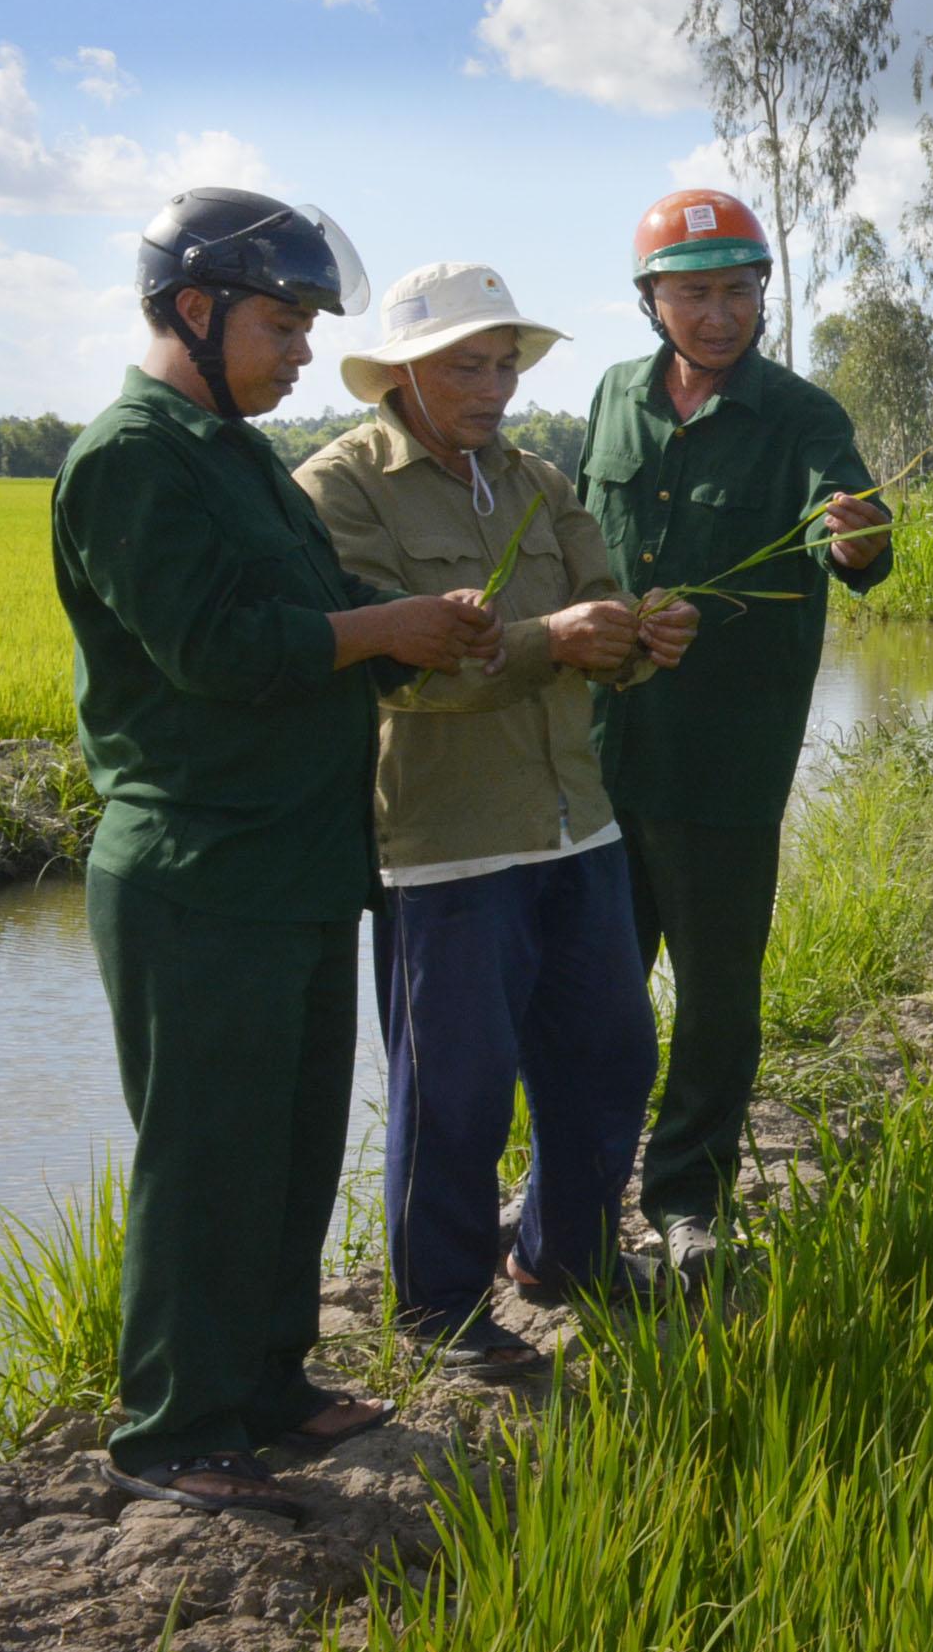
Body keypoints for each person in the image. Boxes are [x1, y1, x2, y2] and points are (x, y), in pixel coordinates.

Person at [53, 188, 502, 1521]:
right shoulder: (132, 457)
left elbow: (315, 603)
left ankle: (268, 1384)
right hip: (200, 873)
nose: (301, 349)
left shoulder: (234, 447)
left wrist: (420, 619)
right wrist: (385, 633)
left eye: (308, 324)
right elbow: (220, 649)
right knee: (205, 1155)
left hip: (300, 865)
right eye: (281, 322)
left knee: (296, 1144)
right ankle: (173, 1427)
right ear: (192, 309)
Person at [295, 262, 701, 1379]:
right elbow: (397, 673)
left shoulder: (536, 478)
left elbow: (599, 615)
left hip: (579, 823)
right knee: (456, 1089)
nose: (493, 385)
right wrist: (551, 643)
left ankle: (562, 1255)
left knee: (613, 1055)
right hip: (446, 841)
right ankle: (437, 1308)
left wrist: (640, 641)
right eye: (465, 365)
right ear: (404, 374)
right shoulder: (342, 490)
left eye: (504, 363)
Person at [575, 189, 892, 1287]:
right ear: (652, 301)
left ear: (765, 293)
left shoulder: (802, 414)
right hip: (601, 751)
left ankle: (685, 1196)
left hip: (726, 759)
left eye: (739, 290)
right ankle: (569, 1182)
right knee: (592, 990)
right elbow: (579, 537)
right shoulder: (615, 398)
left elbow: (842, 521)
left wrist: (853, 536)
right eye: (695, 292)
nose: (719, 314)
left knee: (714, 995)